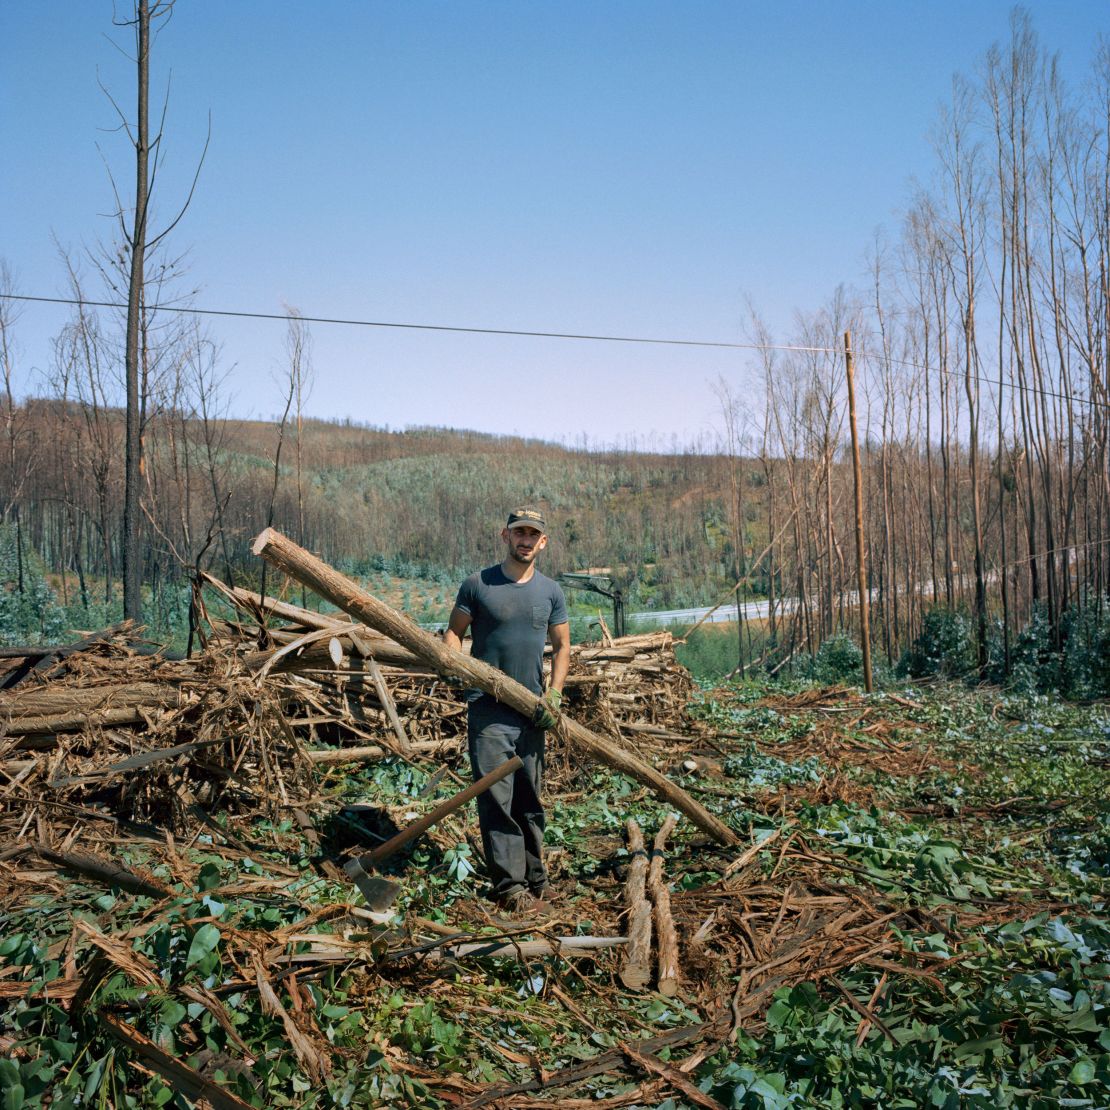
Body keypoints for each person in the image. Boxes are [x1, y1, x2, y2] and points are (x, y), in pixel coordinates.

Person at [444, 507, 570, 915]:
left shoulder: (550, 592)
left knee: (529, 799)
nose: (526, 540)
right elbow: (453, 633)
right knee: (497, 800)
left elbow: (563, 647)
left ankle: (537, 879)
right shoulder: (478, 585)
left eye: (533, 535)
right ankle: (510, 887)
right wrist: (457, 667)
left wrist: (554, 695)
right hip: (488, 712)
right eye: (519, 533)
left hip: (532, 711)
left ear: (543, 542)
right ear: (505, 535)